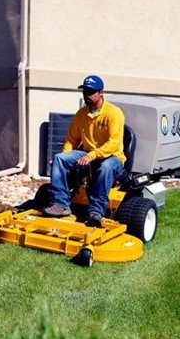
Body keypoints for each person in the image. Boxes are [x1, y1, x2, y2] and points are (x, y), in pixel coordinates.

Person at [43, 75, 126, 228]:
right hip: (88, 154)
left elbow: (114, 143)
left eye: (91, 91)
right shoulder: (81, 114)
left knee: (106, 167)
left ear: (101, 92)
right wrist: (65, 158)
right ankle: (61, 205)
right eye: (85, 91)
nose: (86, 94)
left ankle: (95, 212)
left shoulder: (114, 113)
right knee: (60, 158)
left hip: (113, 157)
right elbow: (72, 140)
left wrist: (92, 155)